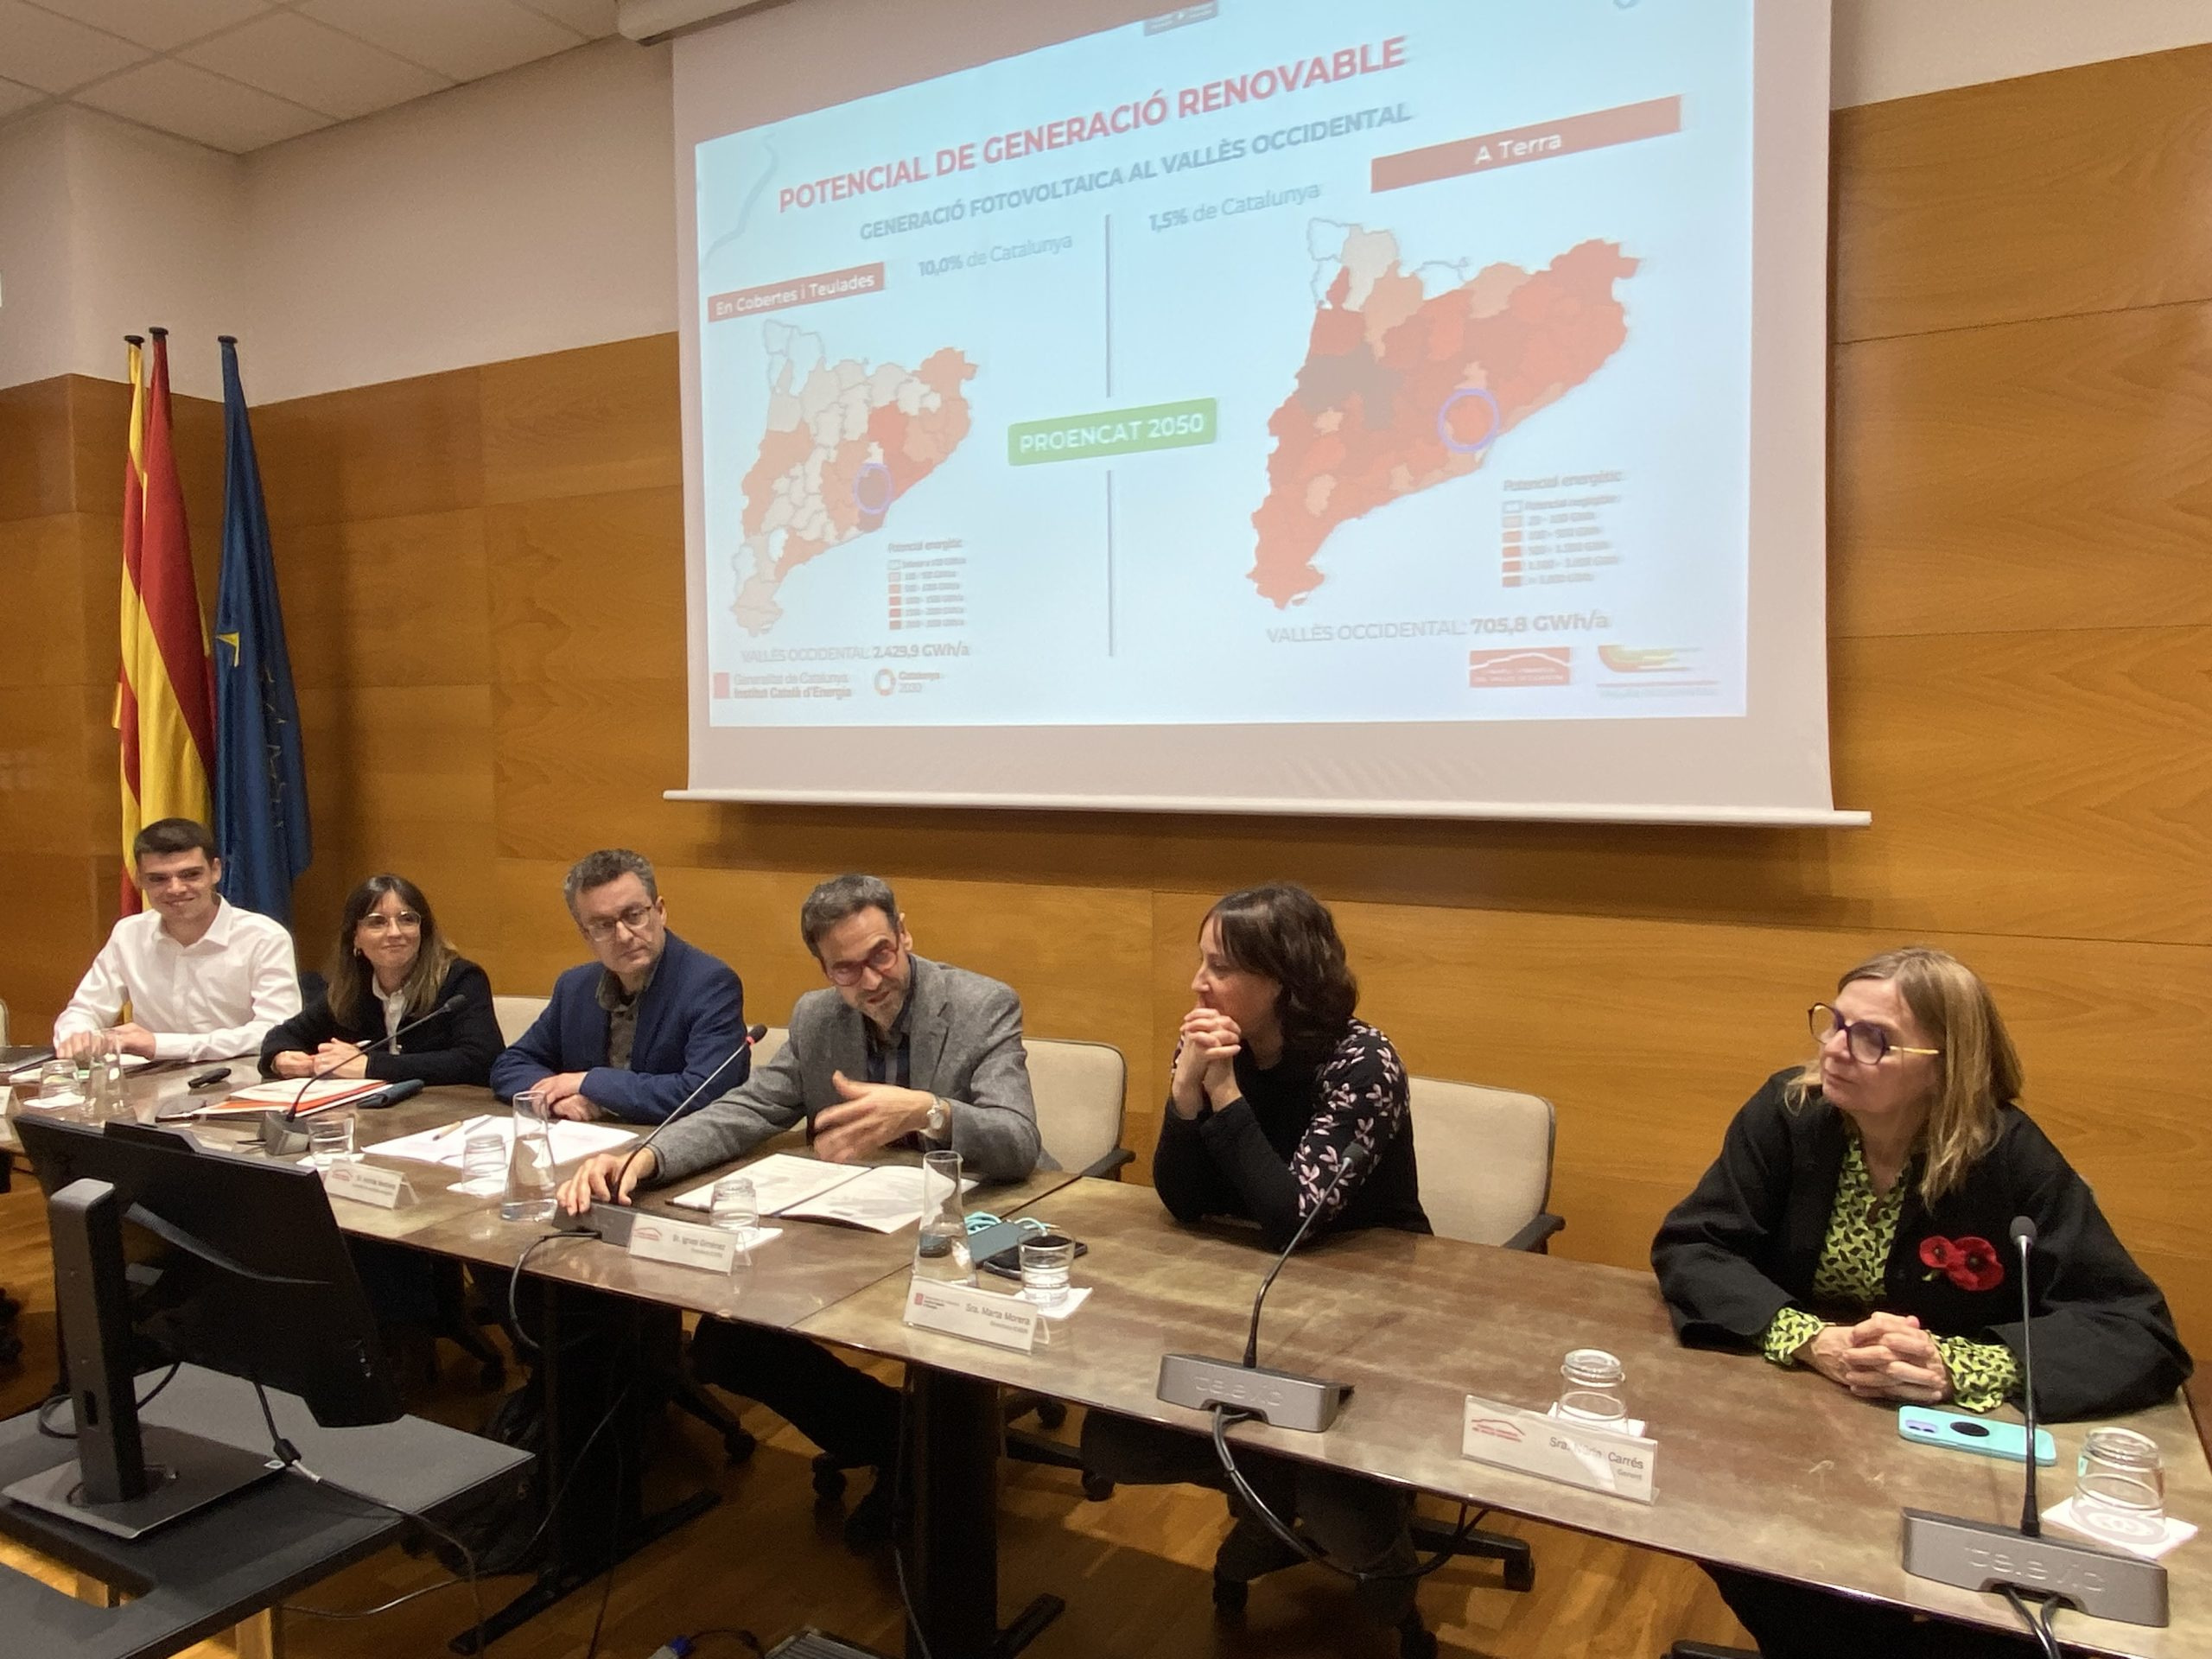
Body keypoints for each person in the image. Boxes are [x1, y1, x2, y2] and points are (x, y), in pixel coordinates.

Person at [1652, 946, 2192, 1659]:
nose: (1834, 1049)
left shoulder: (2008, 1155)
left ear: (1945, 1065)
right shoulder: (1791, 1112)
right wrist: (1810, 1338)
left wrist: (1954, 1364)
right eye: (1834, 1022)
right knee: (1717, 1517)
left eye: (1871, 1038)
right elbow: (1695, 1244)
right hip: (1794, 1426)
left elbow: (2136, 1329)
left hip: (1943, 1451)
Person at [557, 873, 1043, 1546]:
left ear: (904, 935)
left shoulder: (980, 1005)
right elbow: (749, 1109)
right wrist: (647, 1157)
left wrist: (929, 1112)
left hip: (958, 1235)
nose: (870, 980)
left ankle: (935, 1468)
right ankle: (906, 1443)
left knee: (915, 1338)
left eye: (881, 955)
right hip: (854, 1232)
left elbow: (1018, 1141)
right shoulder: (818, 1018)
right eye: (846, 968)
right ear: (823, 968)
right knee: (729, 1341)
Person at [1080, 882, 1429, 1641]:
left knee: (1341, 1505)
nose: (1198, 983)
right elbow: (1184, 1200)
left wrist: (1225, 1091)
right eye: (1200, 961)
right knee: (1116, 1439)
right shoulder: (1213, 1044)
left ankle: (1341, 1522)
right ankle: (1273, 1493)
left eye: (1221, 967)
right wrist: (1185, 1094)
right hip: (1247, 1290)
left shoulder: (1361, 1062)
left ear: (1283, 981)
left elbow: (1293, 1217)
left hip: (1364, 1297)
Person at [489, 849, 745, 1124]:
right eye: (603, 925)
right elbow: (510, 1064)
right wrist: (556, 1100)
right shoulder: (574, 987)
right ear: (586, 935)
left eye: (633, 915)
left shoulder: (710, 985)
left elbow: (705, 1091)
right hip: (584, 1140)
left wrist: (588, 1083)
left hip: (670, 1143)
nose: (623, 936)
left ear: (660, 911)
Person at [54, 817, 300, 1062]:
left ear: (215, 871)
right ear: (140, 879)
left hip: (238, 1075)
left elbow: (275, 1031)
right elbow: (84, 1010)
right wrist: (77, 1037)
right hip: (150, 1079)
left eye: (190, 875)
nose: (175, 889)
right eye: (158, 879)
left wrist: (162, 1045)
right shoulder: (128, 934)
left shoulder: (264, 937)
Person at [258, 874, 502, 1087]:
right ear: (355, 937)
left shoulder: (460, 980)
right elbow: (282, 1036)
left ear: (423, 930)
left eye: (407, 919)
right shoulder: (353, 989)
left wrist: (370, 1066)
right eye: (377, 922)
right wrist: (281, 1058)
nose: (395, 933)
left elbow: (481, 1060)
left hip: (447, 1115)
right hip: (374, 1116)